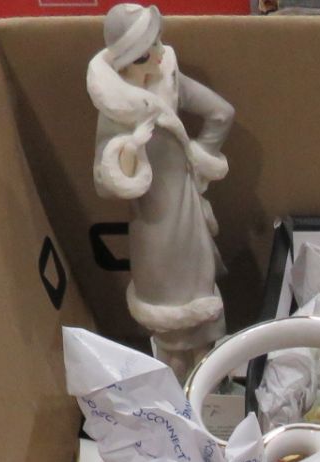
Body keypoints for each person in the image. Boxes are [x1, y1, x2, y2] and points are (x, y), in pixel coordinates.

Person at [88, 6, 235, 380]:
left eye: (156, 44)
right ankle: (179, 401)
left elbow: (221, 113)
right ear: (121, 66)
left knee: (201, 318)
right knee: (167, 325)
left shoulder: (169, 77)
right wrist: (128, 155)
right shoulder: (116, 110)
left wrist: (199, 156)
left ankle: (208, 390)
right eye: (142, 55)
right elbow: (103, 182)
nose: (155, 56)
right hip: (152, 225)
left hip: (183, 215)